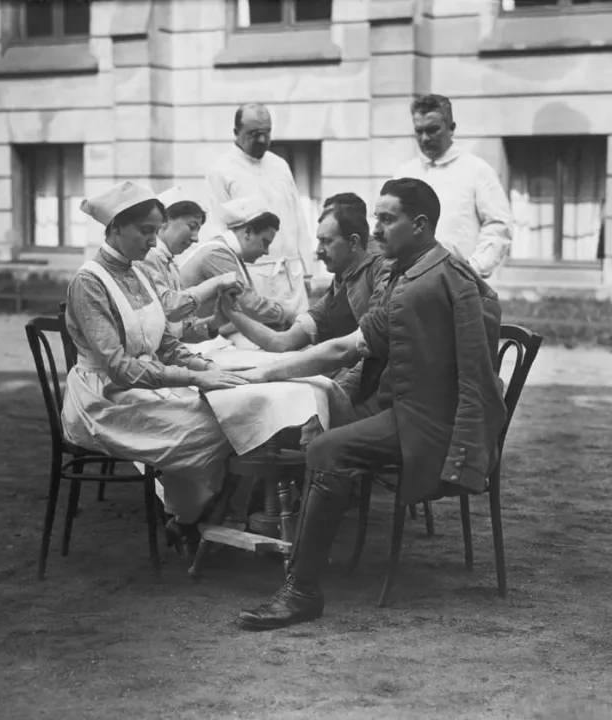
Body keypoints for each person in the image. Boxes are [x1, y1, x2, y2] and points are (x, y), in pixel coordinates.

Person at [234, 178, 507, 630]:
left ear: (419, 225)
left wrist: (265, 372)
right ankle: (298, 575)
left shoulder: (439, 277)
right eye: (375, 218)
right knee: (319, 433)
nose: (375, 230)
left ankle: (301, 592)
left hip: (432, 425)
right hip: (408, 411)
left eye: (386, 218)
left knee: (326, 448)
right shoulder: (413, 273)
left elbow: (476, 372)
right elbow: (349, 346)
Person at [60, 180, 247, 537]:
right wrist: (193, 379)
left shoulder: (140, 273)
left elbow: (165, 346)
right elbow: (118, 365)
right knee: (212, 425)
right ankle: (191, 516)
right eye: (144, 231)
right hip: (103, 398)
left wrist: (207, 368)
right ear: (114, 229)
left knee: (228, 410)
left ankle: (194, 514)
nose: (151, 240)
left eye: (155, 231)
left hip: (139, 385)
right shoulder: (89, 283)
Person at [220, 193, 388, 352]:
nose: (318, 251)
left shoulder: (381, 272)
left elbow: (359, 349)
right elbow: (281, 342)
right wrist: (231, 313)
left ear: (353, 241)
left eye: (327, 241)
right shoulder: (338, 285)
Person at [201, 102, 311, 316]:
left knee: (301, 340)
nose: (261, 139)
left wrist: (307, 271)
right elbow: (217, 233)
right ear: (236, 132)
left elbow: (298, 218)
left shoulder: (280, 166)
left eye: (266, 132)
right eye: (253, 133)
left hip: (292, 277)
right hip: (252, 280)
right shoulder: (221, 171)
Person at [394, 94, 512, 279]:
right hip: (408, 288)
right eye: (419, 131)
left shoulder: (477, 170)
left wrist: (473, 268)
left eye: (433, 130)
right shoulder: (403, 174)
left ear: (451, 128)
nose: (425, 138)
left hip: (458, 287)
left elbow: (498, 227)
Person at [144, 186, 242, 342]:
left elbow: (178, 329)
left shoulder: (169, 263)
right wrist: (216, 283)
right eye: (192, 227)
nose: (195, 238)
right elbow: (169, 307)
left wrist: (215, 321)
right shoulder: (147, 258)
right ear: (163, 222)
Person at [180, 195, 292, 329]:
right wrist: (287, 314)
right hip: (191, 335)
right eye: (265, 243)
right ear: (248, 232)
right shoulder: (216, 254)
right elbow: (249, 304)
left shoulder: (226, 251)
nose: (266, 251)